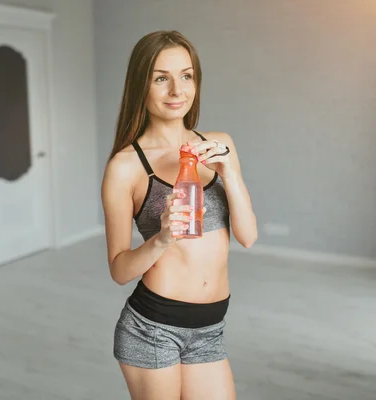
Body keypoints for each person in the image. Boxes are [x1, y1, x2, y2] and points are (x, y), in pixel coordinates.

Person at [100, 30, 258, 400]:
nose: (177, 91)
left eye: (186, 76)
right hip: (153, 328)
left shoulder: (220, 145)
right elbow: (119, 270)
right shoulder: (126, 166)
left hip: (210, 328)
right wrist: (162, 238)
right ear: (141, 85)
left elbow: (248, 236)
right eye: (161, 78)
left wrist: (229, 173)